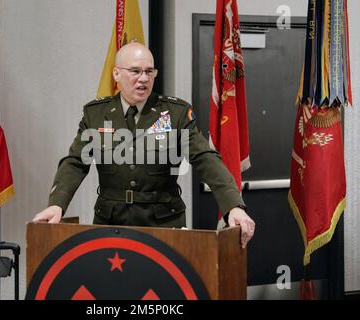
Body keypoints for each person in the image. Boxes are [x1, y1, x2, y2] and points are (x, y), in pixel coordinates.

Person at [33, 42, 255, 248]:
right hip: (111, 221)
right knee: (111, 288)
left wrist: (233, 205)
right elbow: (75, 163)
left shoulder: (175, 113)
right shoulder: (96, 114)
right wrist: (57, 204)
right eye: (135, 71)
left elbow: (205, 158)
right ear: (116, 73)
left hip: (163, 223)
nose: (143, 79)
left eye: (149, 72)